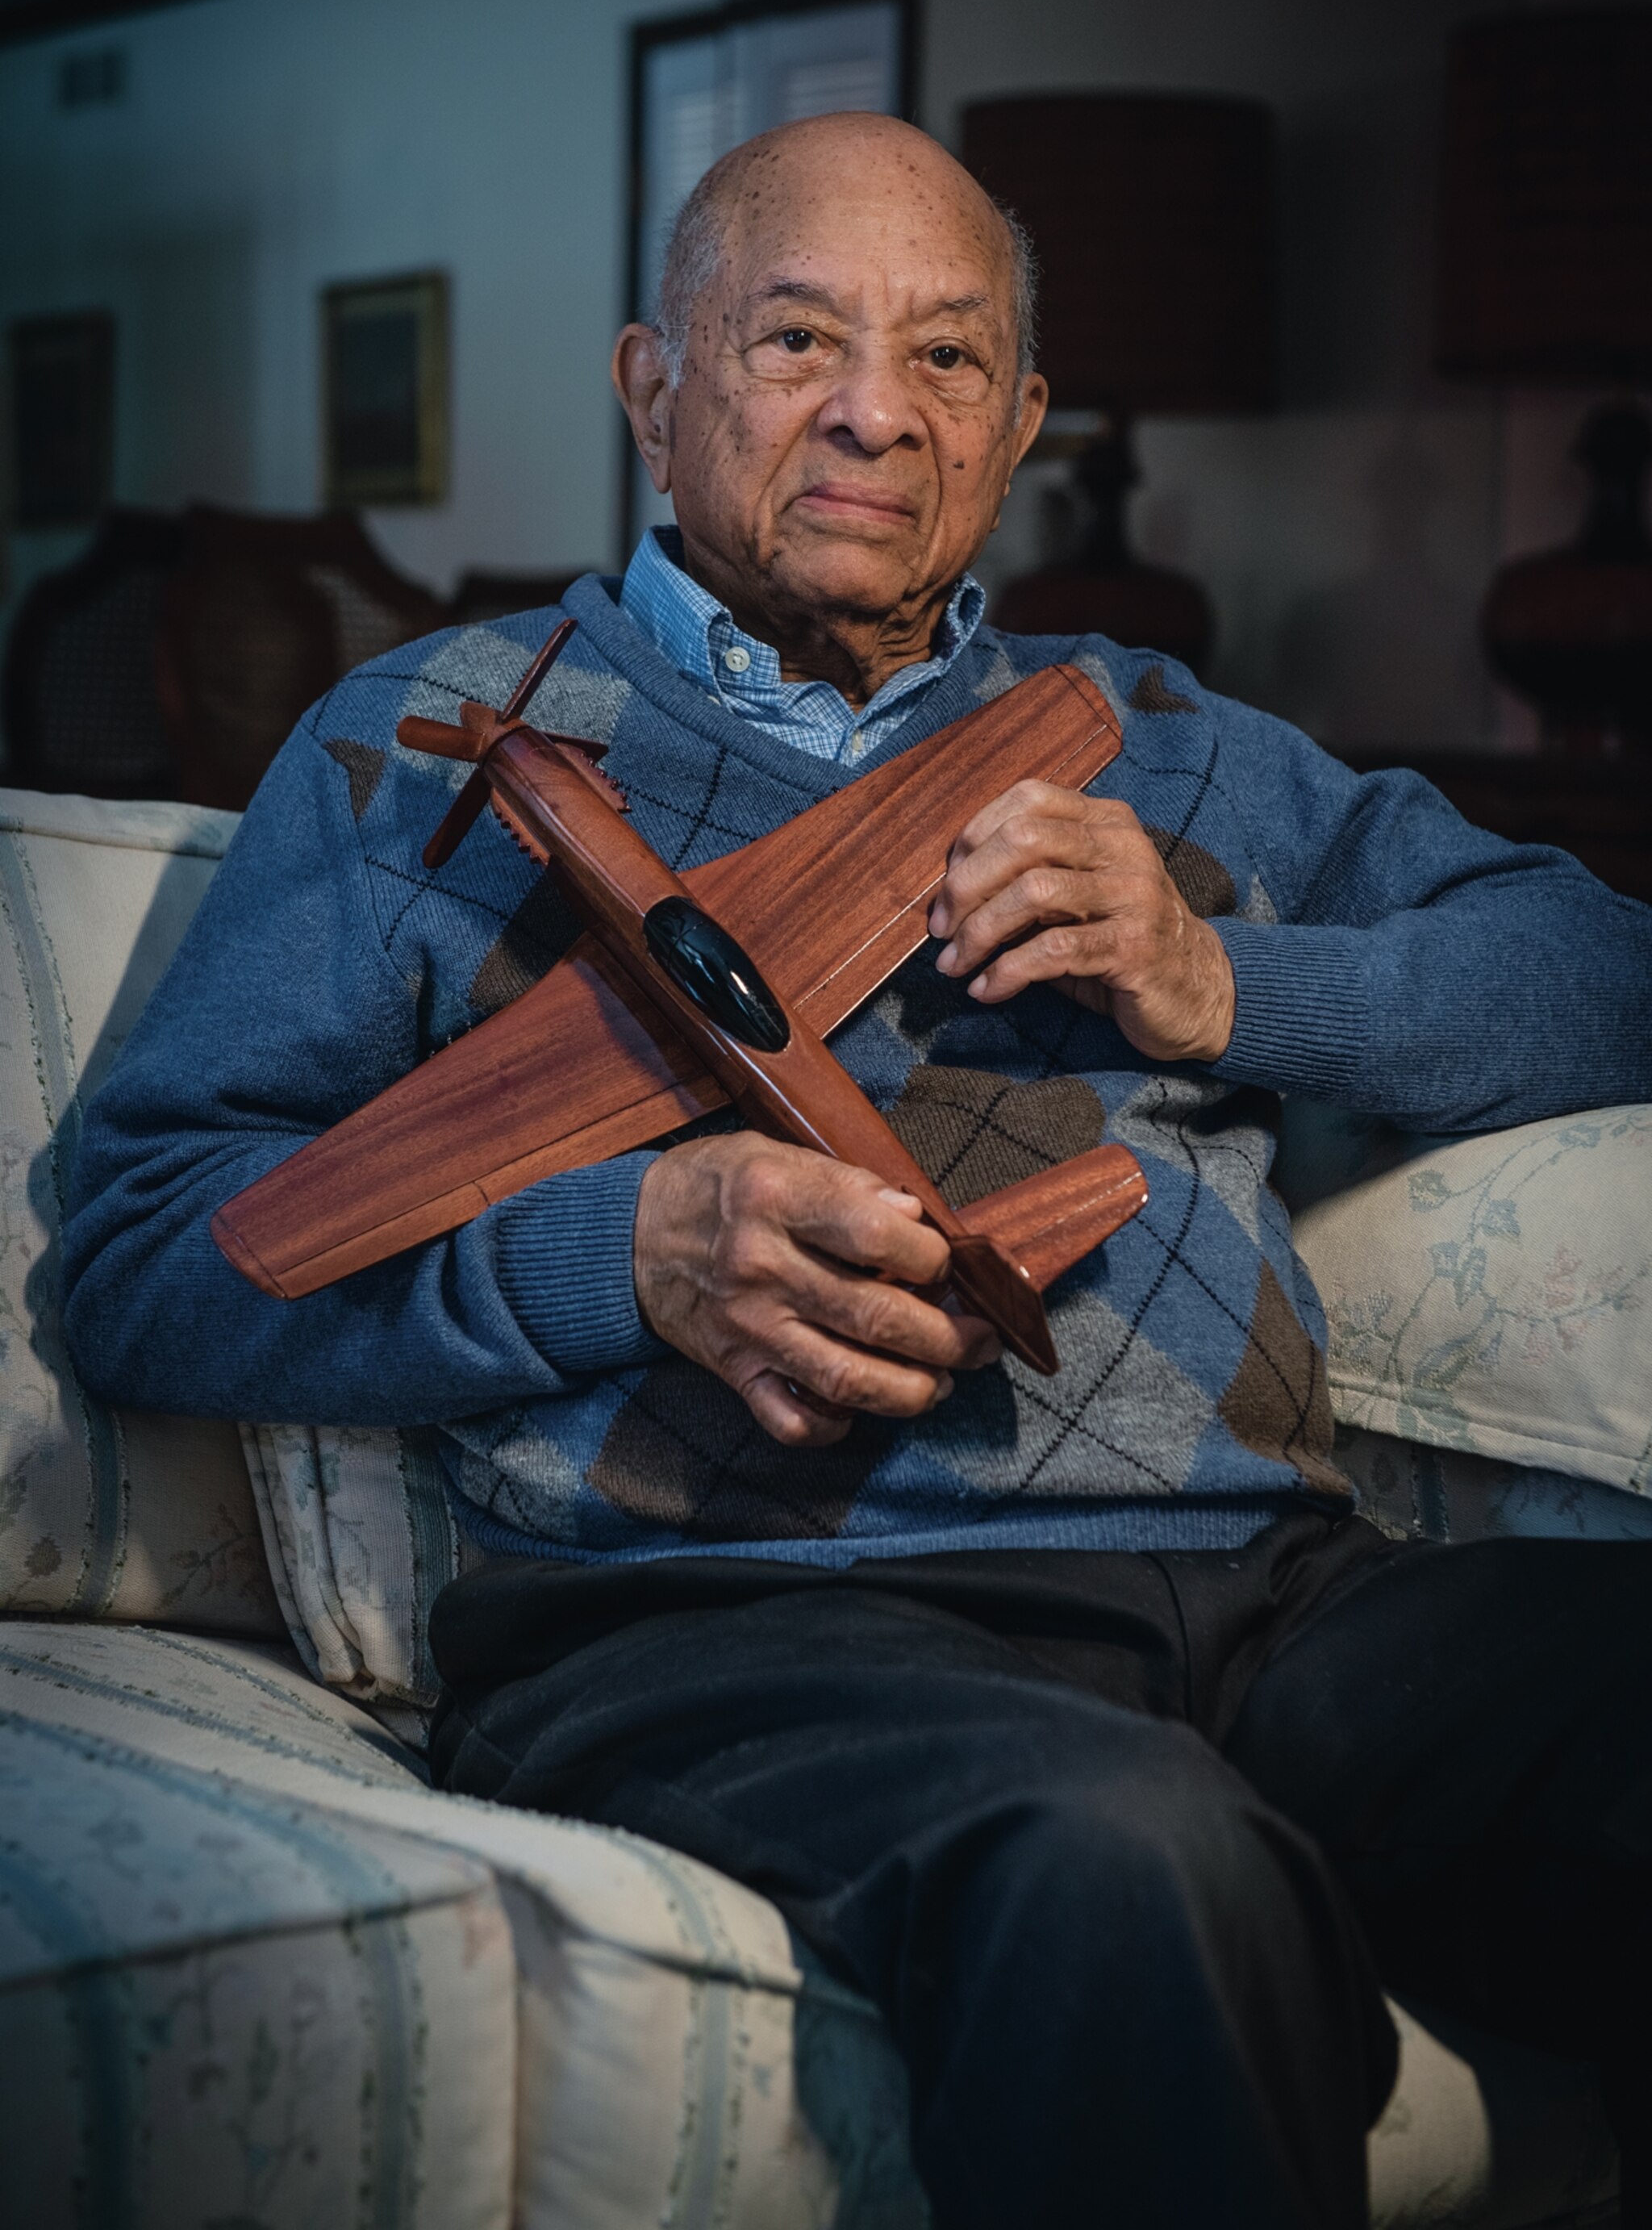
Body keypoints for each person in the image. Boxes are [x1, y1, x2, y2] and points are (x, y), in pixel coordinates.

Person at [64, 114, 1652, 2229]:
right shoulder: (426, 744)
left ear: (1021, 422)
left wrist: (1223, 987)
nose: (877, 416)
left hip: (1276, 1591)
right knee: (1129, 1857)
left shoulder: (1163, 734)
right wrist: (608, 1251)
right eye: (798, 339)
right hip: (726, 1623)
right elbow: (148, 1246)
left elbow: (1602, 975)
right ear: (654, 390)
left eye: (951, 359)